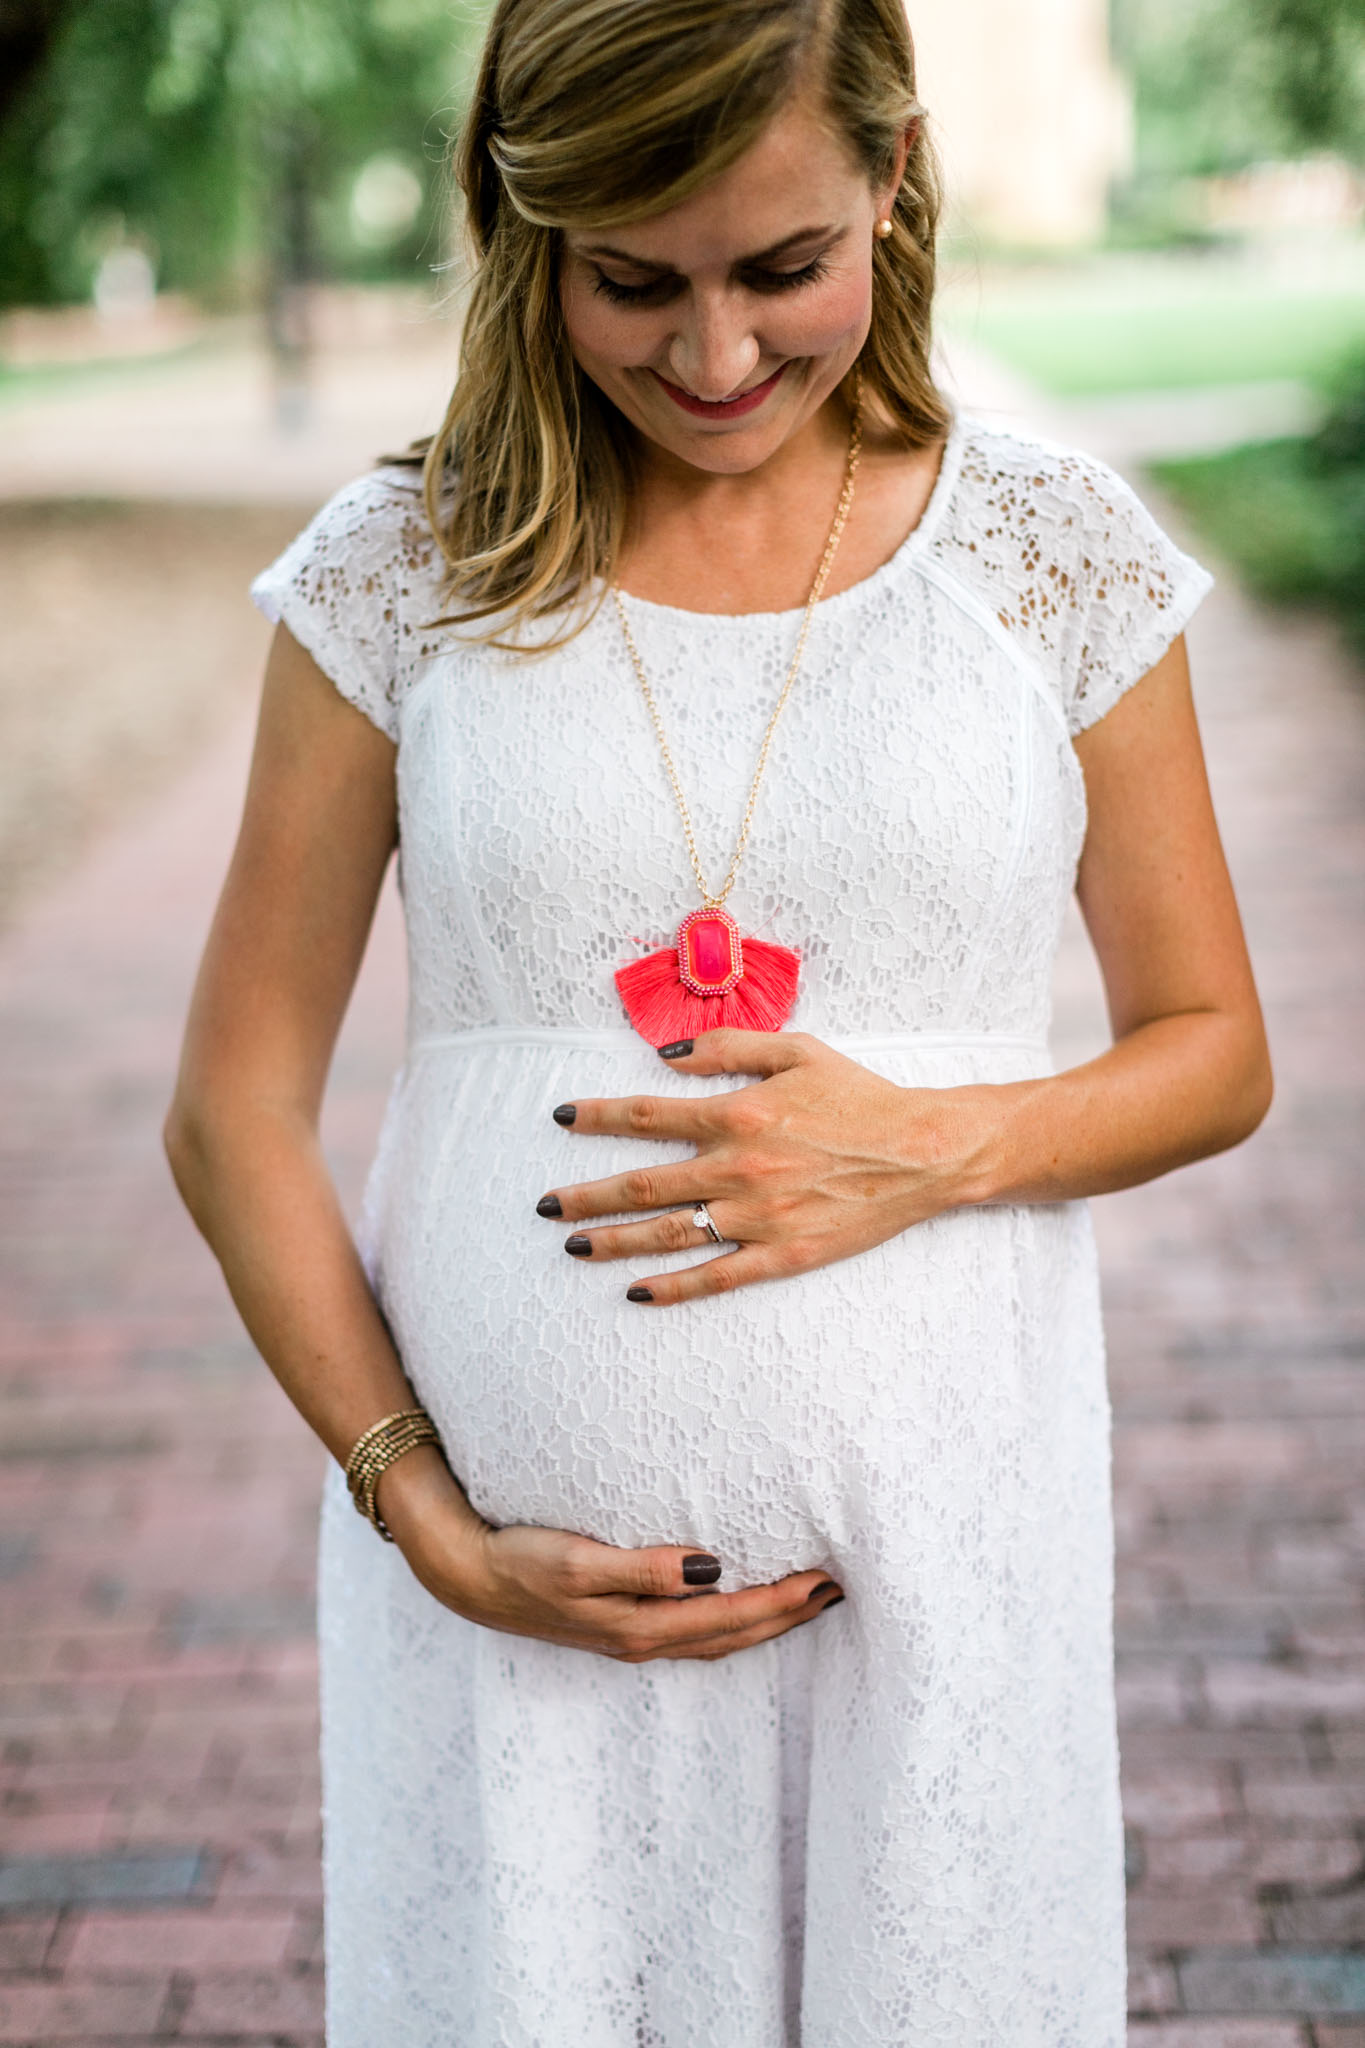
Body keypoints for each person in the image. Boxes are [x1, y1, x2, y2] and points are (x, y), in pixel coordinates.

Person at [165, 0, 1272, 2041]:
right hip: (516, 1614)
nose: (714, 355)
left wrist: (931, 1142)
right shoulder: (405, 570)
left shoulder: (1043, 561)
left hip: (935, 1570)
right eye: (633, 281)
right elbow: (230, 1105)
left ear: (892, 182)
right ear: (530, 235)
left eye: (781, 269)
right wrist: (422, 1511)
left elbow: (1211, 1037)